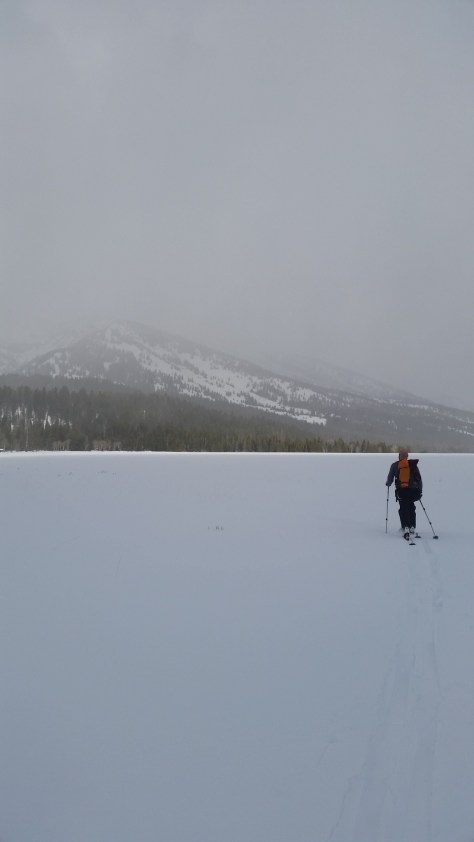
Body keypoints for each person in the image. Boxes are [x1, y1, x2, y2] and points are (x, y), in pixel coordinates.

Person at [386, 448, 422, 537]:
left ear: (399, 456)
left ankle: (405, 526)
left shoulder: (394, 465)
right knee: (411, 507)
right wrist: (419, 491)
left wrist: (388, 483)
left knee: (403, 507)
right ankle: (412, 526)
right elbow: (419, 479)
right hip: (413, 490)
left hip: (401, 491)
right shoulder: (413, 465)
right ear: (407, 456)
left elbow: (390, 478)